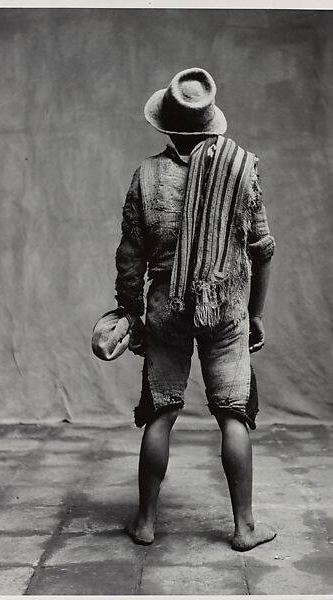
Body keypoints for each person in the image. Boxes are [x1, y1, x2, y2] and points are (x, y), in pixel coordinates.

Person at [113, 68, 276, 551]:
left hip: (166, 308)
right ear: (210, 124)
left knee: (161, 414)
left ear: (166, 124)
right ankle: (244, 528)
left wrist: (131, 312)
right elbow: (263, 248)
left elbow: (129, 255)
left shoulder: (146, 175)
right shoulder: (241, 167)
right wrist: (256, 311)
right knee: (232, 417)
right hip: (225, 308)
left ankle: (145, 523)